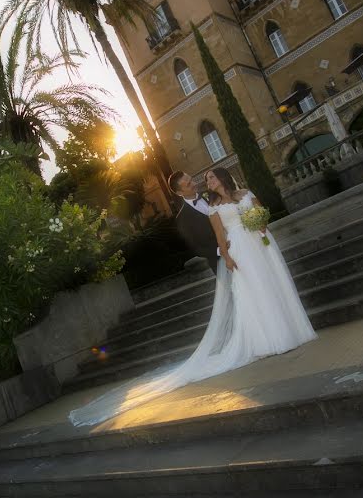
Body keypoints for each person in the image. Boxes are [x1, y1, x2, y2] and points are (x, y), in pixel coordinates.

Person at [68, 167, 317, 427]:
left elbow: (249, 211)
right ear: (179, 190)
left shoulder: (214, 200)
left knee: (262, 292)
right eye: (188, 182)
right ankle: (264, 336)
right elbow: (200, 245)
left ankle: (278, 328)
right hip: (228, 258)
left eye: (193, 178)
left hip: (253, 246)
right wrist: (226, 251)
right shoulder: (184, 216)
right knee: (249, 300)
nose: (195, 182)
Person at [168, 170, 220, 274]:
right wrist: (219, 251)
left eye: (191, 180)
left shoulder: (212, 194)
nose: (194, 184)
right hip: (219, 262)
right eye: (188, 184)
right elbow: (196, 248)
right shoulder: (182, 219)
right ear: (179, 193)